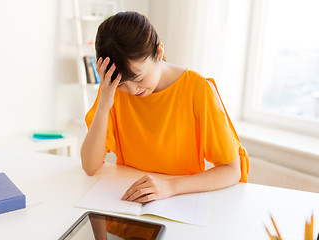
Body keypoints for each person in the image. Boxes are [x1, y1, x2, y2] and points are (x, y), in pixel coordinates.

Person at [81, 11, 249, 205]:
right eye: (122, 83)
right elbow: (89, 166)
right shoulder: (114, 90)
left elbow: (231, 170)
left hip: (181, 202)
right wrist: (104, 103)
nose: (133, 90)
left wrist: (170, 187)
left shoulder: (197, 89)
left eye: (139, 79)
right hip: (130, 202)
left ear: (159, 52)